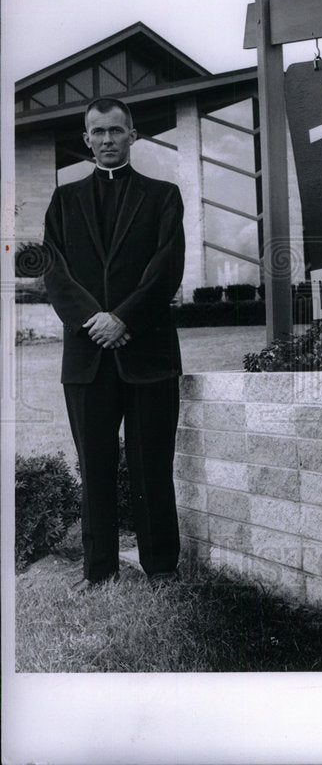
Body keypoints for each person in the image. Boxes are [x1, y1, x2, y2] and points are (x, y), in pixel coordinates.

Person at [43, 97, 185, 588]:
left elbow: (165, 269)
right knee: (95, 467)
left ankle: (161, 567)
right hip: (86, 360)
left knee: (152, 467)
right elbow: (53, 273)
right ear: (86, 138)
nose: (107, 140)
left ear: (133, 135)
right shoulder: (64, 201)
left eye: (116, 131)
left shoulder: (163, 196)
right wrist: (94, 320)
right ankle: (99, 569)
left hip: (148, 355)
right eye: (98, 132)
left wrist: (122, 318)